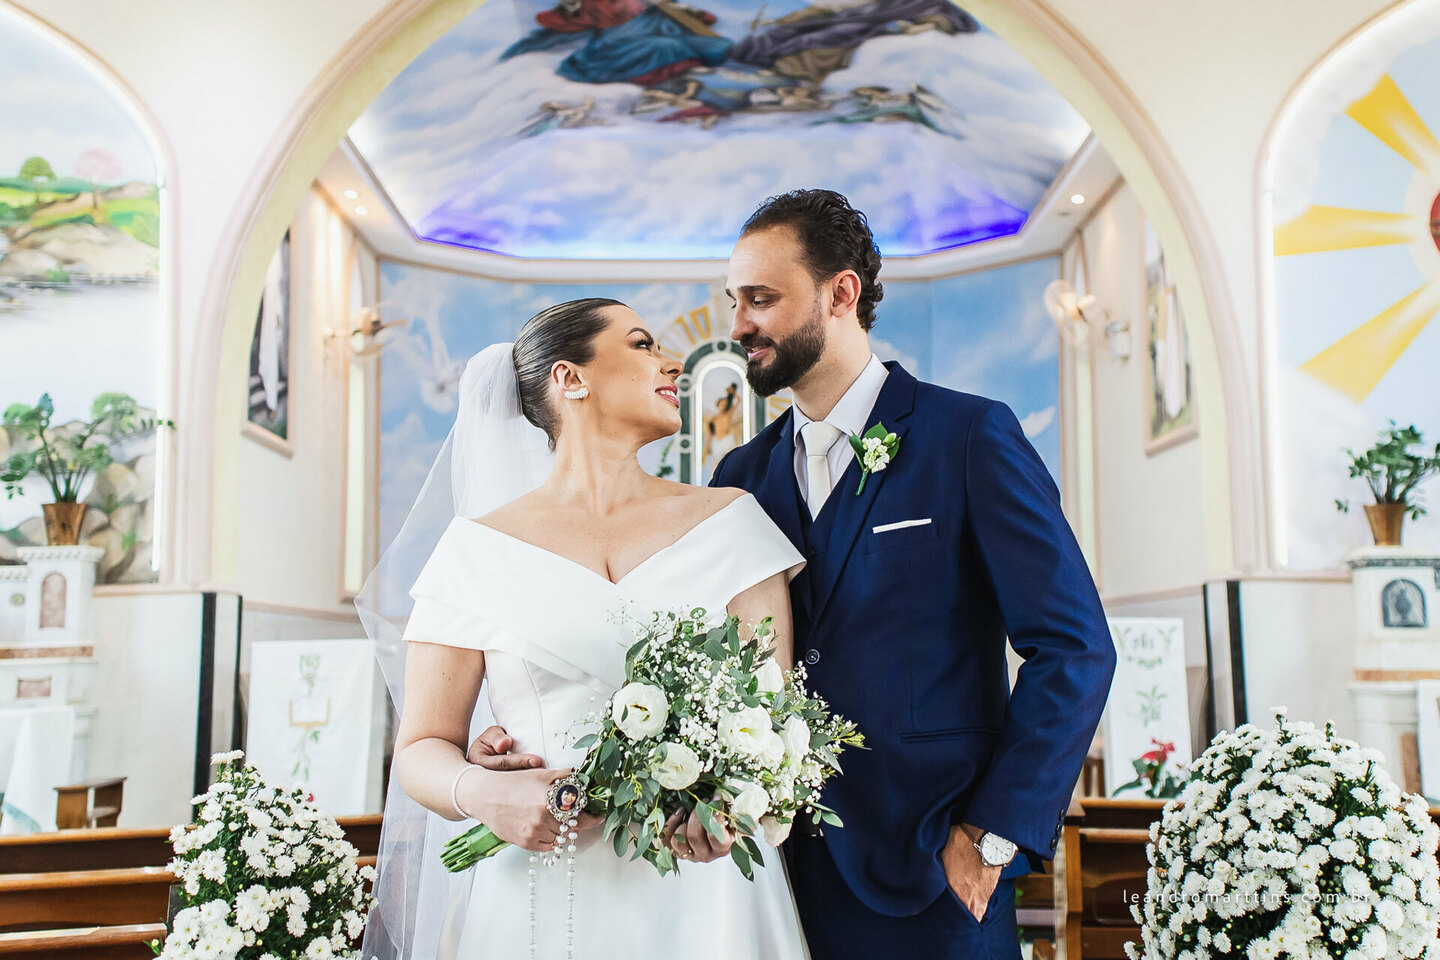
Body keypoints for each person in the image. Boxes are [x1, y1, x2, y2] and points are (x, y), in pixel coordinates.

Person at [708, 189, 1117, 959]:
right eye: (736, 301)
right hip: (772, 883)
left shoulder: (967, 435)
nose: (739, 327)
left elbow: (1076, 647)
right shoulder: (738, 475)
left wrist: (990, 836)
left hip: (933, 875)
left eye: (760, 299)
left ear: (841, 293)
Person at [359, 298, 811, 960]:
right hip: (540, 884)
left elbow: (771, 720)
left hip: (705, 887)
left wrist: (741, 805)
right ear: (570, 379)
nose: (670, 360)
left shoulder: (732, 525)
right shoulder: (476, 553)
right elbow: (423, 746)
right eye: (640, 344)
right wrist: (484, 791)